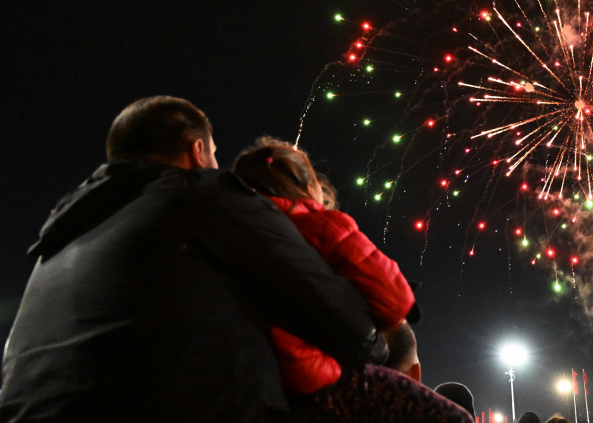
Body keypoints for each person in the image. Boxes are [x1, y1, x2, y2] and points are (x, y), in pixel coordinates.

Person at [0, 96, 386, 422]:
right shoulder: (203, 196)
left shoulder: (60, 236)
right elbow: (335, 314)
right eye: (215, 154)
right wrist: (382, 350)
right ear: (198, 151)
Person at [232, 136, 472, 423]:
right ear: (309, 185)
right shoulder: (323, 224)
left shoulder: (230, 233)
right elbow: (394, 300)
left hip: (255, 383)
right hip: (316, 382)